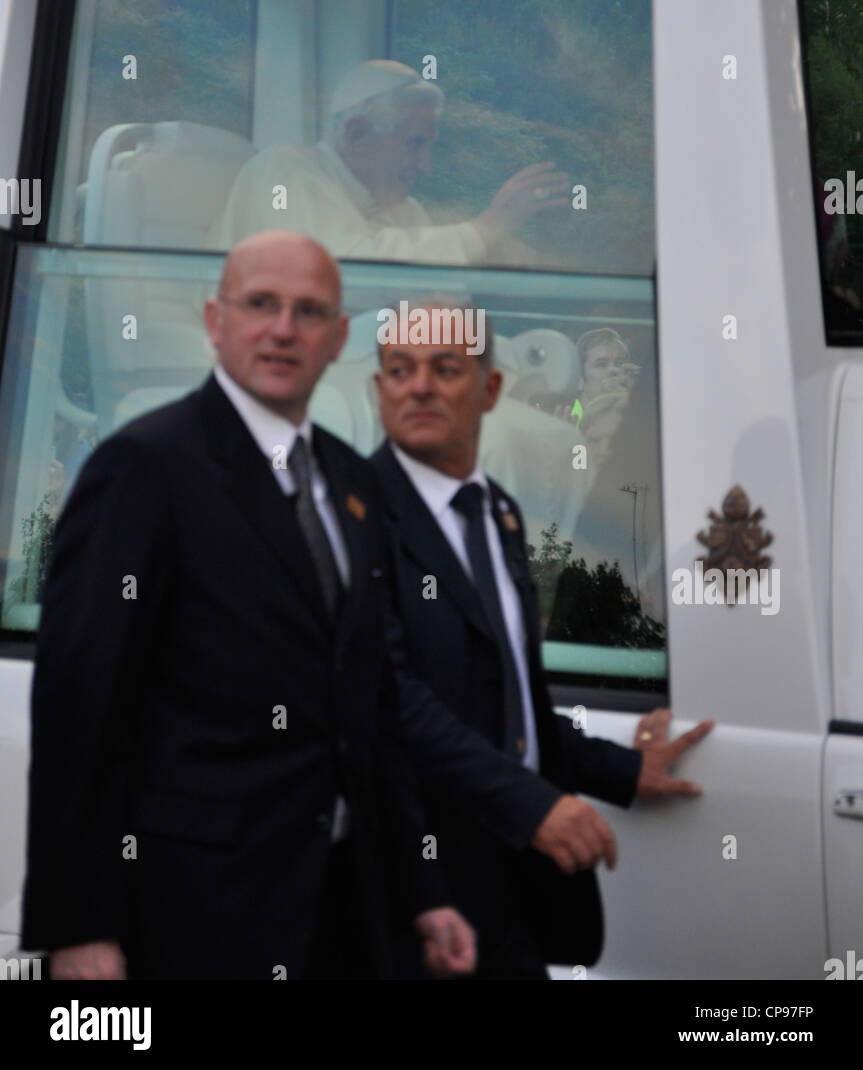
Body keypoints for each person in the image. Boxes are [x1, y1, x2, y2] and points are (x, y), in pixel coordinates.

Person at [21, 233, 475, 981]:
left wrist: (421, 891)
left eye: (308, 311)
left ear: (337, 339)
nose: (282, 329)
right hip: (194, 916)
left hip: (342, 915)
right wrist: (81, 926)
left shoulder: (348, 478)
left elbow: (372, 705)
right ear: (215, 320)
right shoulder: (143, 468)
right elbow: (81, 710)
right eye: (260, 304)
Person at [370, 298, 714, 978]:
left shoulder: (496, 512)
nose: (419, 386)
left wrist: (619, 769)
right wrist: (533, 804)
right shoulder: (350, 517)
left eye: (445, 367)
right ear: (378, 388)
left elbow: (505, 698)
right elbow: (389, 701)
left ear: (491, 388)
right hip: (417, 896)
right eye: (399, 368)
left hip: (510, 891)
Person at [215, 59, 569, 264]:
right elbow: (352, 273)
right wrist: (486, 227)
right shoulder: (285, 170)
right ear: (356, 135)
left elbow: (441, 290)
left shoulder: (404, 209)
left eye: (428, 146)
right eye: (415, 144)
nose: (425, 165)